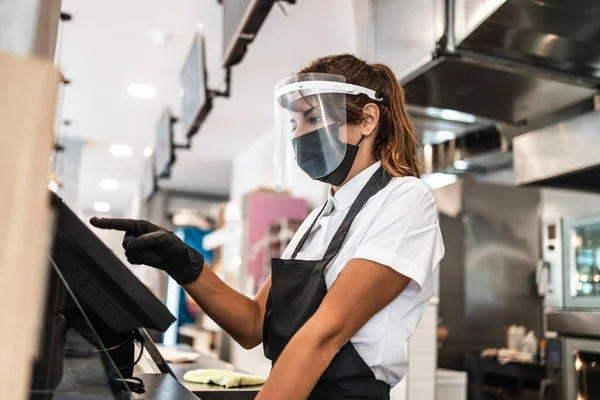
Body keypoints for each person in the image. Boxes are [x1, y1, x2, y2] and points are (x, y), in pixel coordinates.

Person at [91, 54, 444, 400]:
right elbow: (253, 323)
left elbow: (325, 333)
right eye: (293, 124)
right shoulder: (319, 218)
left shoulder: (405, 199)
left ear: (367, 119)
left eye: (312, 117)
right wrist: (185, 265)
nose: (299, 134)